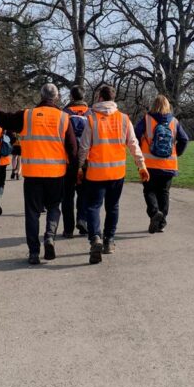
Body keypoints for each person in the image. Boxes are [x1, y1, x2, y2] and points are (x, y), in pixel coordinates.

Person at [0, 84, 78, 265]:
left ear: (41, 95)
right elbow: (72, 148)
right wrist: (75, 171)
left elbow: (4, 119)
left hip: (33, 174)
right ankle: (50, 236)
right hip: (56, 173)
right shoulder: (63, 117)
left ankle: (34, 253)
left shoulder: (27, 115)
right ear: (57, 97)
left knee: (32, 213)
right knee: (54, 207)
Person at [76, 85, 149, 265]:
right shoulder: (123, 119)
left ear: (100, 98)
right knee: (113, 206)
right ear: (113, 98)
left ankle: (95, 239)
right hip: (116, 173)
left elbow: (84, 147)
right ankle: (109, 241)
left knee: (93, 207)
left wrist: (79, 167)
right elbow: (133, 145)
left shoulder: (91, 120)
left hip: (95, 173)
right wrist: (142, 165)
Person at [135, 95, 190, 233]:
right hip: (168, 165)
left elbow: (135, 134)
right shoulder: (174, 121)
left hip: (149, 164)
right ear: (167, 106)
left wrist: (141, 148)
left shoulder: (147, 119)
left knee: (149, 191)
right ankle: (161, 222)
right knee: (164, 192)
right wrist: (176, 152)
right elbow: (184, 139)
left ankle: (154, 213)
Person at [61, 86, 90, 237]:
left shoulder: (64, 114)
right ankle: (83, 220)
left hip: (67, 160)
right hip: (86, 160)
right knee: (84, 192)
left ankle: (68, 229)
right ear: (83, 96)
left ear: (71, 97)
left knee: (67, 195)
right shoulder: (91, 114)